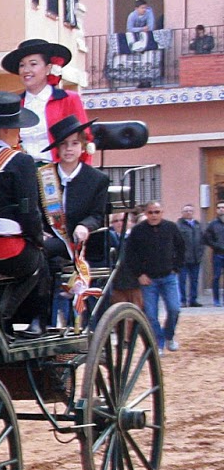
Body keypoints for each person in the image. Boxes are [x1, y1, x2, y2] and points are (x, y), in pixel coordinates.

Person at [0, 92, 49, 333]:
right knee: (39, 262)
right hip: (2, 245)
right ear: (7, 130)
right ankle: (5, 317)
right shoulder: (20, 161)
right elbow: (28, 210)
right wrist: (38, 238)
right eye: (17, 127)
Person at [39, 115, 110, 327]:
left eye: (74, 143)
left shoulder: (96, 179)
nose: (69, 149)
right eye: (64, 144)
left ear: (83, 147)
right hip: (50, 238)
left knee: (42, 252)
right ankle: (42, 318)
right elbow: (35, 210)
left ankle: (68, 322)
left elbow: (97, 215)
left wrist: (85, 226)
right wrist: (39, 230)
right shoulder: (43, 176)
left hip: (81, 243)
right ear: (57, 149)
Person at [2, 38, 89, 160]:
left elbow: (84, 138)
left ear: (48, 68)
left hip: (58, 172)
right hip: (22, 171)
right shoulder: (14, 104)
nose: (26, 70)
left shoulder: (68, 99)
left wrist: (81, 175)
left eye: (33, 64)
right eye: (22, 65)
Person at [122, 201, 185, 352]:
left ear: (162, 212)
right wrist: (139, 274)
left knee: (174, 309)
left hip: (169, 277)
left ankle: (169, 335)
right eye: (150, 212)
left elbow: (181, 247)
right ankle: (159, 343)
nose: (154, 215)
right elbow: (130, 255)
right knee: (151, 314)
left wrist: (176, 267)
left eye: (157, 212)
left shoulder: (171, 227)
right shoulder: (137, 231)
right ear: (146, 213)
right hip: (148, 280)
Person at [176, 203, 204, 306]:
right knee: (182, 281)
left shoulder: (197, 224)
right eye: (186, 211)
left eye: (190, 211)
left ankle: (193, 300)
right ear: (182, 213)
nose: (188, 213)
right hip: (183, 259)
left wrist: (201, 253)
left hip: (196, 258)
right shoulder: (178, 225)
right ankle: (182, 300)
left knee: (194, 281)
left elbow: (202, 240)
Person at [204, 201, 224, 306]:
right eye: (219, 208)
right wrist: (216, 246)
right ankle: (216, 300)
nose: (221, 209)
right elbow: (207, 239)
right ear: (216, 210)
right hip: (218, 254)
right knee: (216, 277)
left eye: (223, 207)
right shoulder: (212, 224)